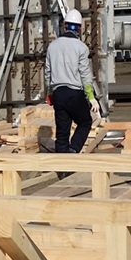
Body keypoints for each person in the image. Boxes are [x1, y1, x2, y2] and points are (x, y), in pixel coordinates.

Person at [44, 9, 100, 153]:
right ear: (79, 28)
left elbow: (48, 73)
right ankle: (74, 149)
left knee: (62, 133)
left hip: (58, 94)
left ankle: (62, 162)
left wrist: (50, 93)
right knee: (85, 122)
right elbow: (85, 75)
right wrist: (91, 97)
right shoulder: (81, 47)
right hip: (75, 94)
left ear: (64, 25)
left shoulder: (52, 46)